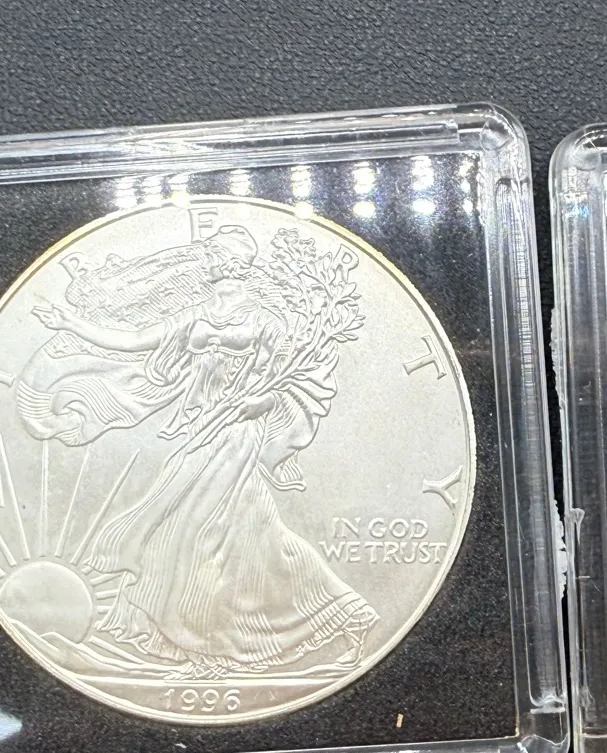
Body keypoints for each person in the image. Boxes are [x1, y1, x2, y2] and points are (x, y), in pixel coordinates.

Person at [20, 227, 377, 678]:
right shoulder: (196, 314)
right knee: (252, 537)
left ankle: (208, 651)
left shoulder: (267, 321)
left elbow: (294, 382)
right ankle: (344, 616)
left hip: (237, 432)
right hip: (200, 428)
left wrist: (261, 402)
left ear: (231, 263)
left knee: (195, 532)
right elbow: (136, 339)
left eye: (210, 254)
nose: (203, 260)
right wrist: (71, 324)